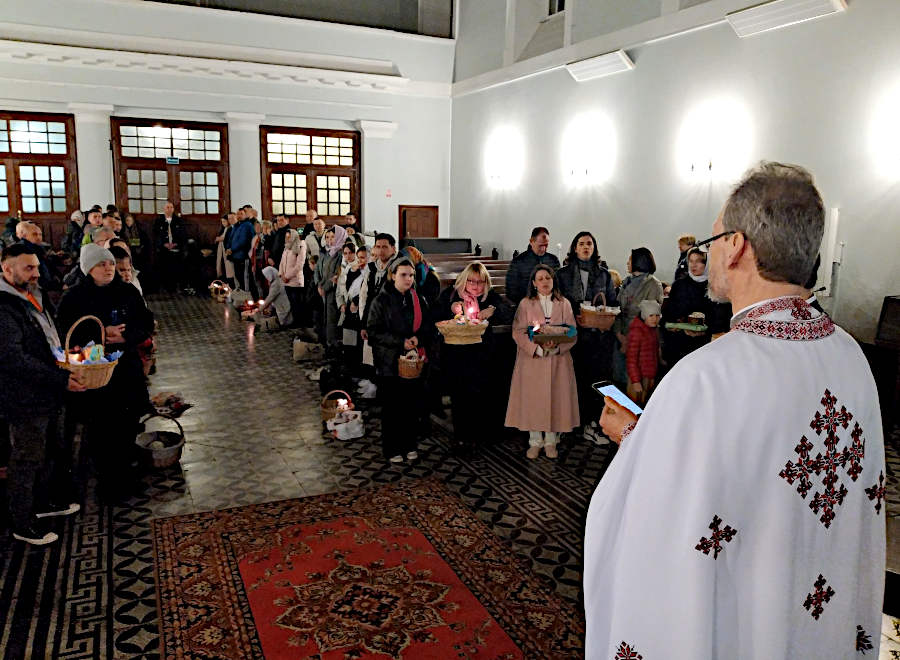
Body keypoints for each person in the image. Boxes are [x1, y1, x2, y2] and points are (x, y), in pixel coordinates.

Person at [584, 162, 885, 659]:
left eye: (715, 237)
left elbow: (661, 515)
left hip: (744, 622)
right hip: (818, 619)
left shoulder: (707, 376)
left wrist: (633, 438)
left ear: (737, 245)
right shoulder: (852, 358)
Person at [0, 244, 85, 546]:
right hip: (25, 395)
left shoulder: (31, 294)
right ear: (7, 270)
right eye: (28, 268)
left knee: (50, 450)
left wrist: (65, 354)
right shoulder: (4, 306)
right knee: (27, 457)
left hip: (49, 387)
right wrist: (60, 379)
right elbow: (14, 358)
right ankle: (22, 522)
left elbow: (47, 333)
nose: (36, 273)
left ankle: (43, 504)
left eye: (36, 267)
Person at [56, 243, 155, 500]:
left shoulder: (127, 291)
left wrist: (126, 337)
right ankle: (107, 483)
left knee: (127, 425)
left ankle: (128, 476)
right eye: (102, 264)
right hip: (96, 373)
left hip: (126, 370)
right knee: (102, 429)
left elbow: (144, 322)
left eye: (111, 263)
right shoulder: (75, 297)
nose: (109, 268)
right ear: (89, 269)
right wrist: (101, 336)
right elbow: (66, 332)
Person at [435, 261, 510, 455]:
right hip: (456, 355)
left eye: (481, 282)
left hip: (482, 355)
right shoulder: (451, 294)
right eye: (472, 282)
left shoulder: (490, 297)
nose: (476, 286)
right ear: (464, 281)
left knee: (479, 394)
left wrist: (494, 310)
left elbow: (508, 313)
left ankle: (478, 435)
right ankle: (461, 437)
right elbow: (435, 315)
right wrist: (451, 309)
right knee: (459, 396)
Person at [505, 264, 579, 459]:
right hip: (533, 360)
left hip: (558, 360)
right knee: (534, 400)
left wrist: (558, 347)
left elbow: (572, 332)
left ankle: (551, 441)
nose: (545, 282)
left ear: (553, 280)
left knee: (556, 399)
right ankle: (535, 440)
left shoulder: (564, 303)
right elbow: (518, 331)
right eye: (540, 279)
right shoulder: (525, 304)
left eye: (548, 277)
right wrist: (535, 348)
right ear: (534, 283)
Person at [366, 258, 434, 463]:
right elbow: (373, 332)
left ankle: (410, 444)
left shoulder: (418, 299)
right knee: (392, 407)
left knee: (411, 405)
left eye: (411, 275)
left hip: (412, 361)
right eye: (403, 274)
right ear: (393, 275)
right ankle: (392, 447)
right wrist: (399, 342)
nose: (408, 279)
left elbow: (428, 327)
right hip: (389, 361)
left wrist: (417, 338)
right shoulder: (381, 300)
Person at [556, 231, 617, 433]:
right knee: (574, 378)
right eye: (581, 243)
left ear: (594, 248)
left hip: (597, 334)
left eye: (589, 243)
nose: (585, 247)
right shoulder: (563, 274)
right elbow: (558, 302)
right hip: (573, 334)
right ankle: (573, 421)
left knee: (596, 379)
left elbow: (611, 301)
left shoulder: (604, 274)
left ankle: (593, 421)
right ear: (575, 248)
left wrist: (599, 313)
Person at [612, 247, 664, 388]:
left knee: (635, 383)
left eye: (630, 259)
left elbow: (652, 315)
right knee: (619, 381)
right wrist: (619, 334)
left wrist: (632, 337)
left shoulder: (653, 284)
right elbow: (618, 309)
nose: (627, 262)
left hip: (640, 339)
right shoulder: (627, 281)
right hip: (621, 334)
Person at [661, 247, 718, 366]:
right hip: (679, 344)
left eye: (698, 261)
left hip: (703, 346)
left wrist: (703, 330)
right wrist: (673, 324)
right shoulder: (679, 285)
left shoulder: (715, 287)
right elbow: (668, 312)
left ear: (707, 263)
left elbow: (719, 316)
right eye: (691, 261)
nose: (694, 265)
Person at [505, 227, 561, 306]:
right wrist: (529, 302)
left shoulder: (553, 260)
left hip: (550, 304)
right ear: (531, 241)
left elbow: (558, 284)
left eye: (546, 245)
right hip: (526, 305)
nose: (543, 249)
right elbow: (511, 290)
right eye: (541, 245)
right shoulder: (518, 261)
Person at [359, 232, 397, 344]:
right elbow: (369, 297)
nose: (381, 250)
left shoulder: (399, 268)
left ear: (393, 249)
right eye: (378, 247)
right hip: (374, 319)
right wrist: (364, 324)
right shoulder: (373, 268)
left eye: (385, 247)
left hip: (391, 323)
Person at [337, 245, 368, 369]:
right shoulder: (354, 269)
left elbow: (366, 291)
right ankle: (349, 367)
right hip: (351, 309)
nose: (361, 260)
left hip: (361, 310)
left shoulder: (370, 272)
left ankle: (357, 369)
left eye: (364, 257)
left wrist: (356, 301)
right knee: (349, 340)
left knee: (359, 344)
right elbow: (348, 286)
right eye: (359, 257)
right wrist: (353, 271)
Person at [625, 300, 661, 405]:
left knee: (645, 404)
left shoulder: (652, 330)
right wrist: (635, 381)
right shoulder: (637, 332)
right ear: (644, 316)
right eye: (651, 315)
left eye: (657, 315)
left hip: (649, 375)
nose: (655, 319)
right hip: (639, 377)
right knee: (634, 405)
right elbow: (631, 359)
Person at [318, 226, 348, 351]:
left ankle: (333, 345)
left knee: (333, 318)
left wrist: (324, 287)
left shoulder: (341, 254)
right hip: (325, 289)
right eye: (327, 237)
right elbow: (322, 272)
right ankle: (329, 342)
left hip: (334, 291)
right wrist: (319, 285)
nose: (330, 240)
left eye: (332, 237)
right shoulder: (329, 252)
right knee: (327, 317)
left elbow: (336, 274)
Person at [152, 201, 187, 292]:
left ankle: (177, 286)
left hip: (176, 248)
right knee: (163, 266)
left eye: (171, 207)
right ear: (164, 209)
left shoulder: (178, 221)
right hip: (163, 248)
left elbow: (183, 234)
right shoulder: (158, 220)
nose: (169, 209)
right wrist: (164, 244)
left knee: (178, 266)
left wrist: (175, 244)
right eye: (167, 207)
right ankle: (165, 287)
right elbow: (155, 235)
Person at [226, 207, 258, 299]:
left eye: (241, 214)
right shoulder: (238, 225)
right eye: (238, 214)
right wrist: (228, 248)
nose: (239, 216)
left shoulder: (247, 225)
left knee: (246, 280)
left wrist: (232, 249)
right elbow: (231, 238)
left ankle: (252, 299)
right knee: (239, 278)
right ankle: (243, 299)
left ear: (245, 215)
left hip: (243, 257)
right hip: (235, 256)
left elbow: (243, 241)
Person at [278, 227, 307, 327]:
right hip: (286, 280)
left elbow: (299, 265)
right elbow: (282, 262)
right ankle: (295, 321)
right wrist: (281, 274)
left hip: (295, 280)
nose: (287, 238)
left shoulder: (300, 245)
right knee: (292, 303)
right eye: (286, 236)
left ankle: (300, 323)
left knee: (297, 303)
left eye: (289, 236)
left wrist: (287, 276)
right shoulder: (286, 247)